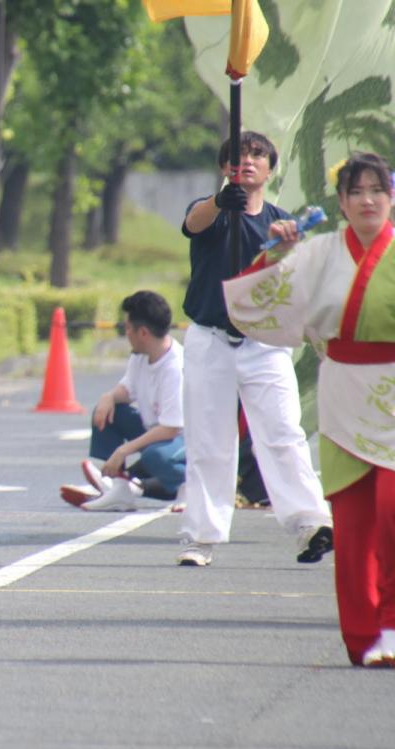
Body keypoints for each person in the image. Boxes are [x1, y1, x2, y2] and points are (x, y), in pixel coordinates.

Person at [225, 151, 395, 667]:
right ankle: (363, 635)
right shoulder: (319, 253)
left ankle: (390, 625)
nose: (368, 200)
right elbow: (259, 300)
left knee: (392, 515)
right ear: (341, 202)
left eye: (378, 191)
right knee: (354, 519)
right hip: (343, 392)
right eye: (357, 191)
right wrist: (275, 255)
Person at [177, 131, 332, 567]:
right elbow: (194, 223)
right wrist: (220, 199)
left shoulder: (282, 222)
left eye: (256, 156)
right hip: (210, 338)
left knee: (283, 432)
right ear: (224, 167)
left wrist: (288, 248)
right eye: (236, 156)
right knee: (210, 440)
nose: (246, 162)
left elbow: (294, 288)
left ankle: (309, 523)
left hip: (264, 345)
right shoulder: (211, 211)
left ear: (269, 168)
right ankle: (200, 536)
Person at [61, 290, 185, 512]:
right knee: (110, 412)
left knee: (156, 456)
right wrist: (107, 397)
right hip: (157, 434)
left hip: (184, 442)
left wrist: (123, 451)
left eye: (128, 328)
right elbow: (127, 389)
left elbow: (171, 428)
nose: (125, 333)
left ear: (143, 332)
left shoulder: (175, 367)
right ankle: (119, 489)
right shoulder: (140, 355)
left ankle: (190, 488)